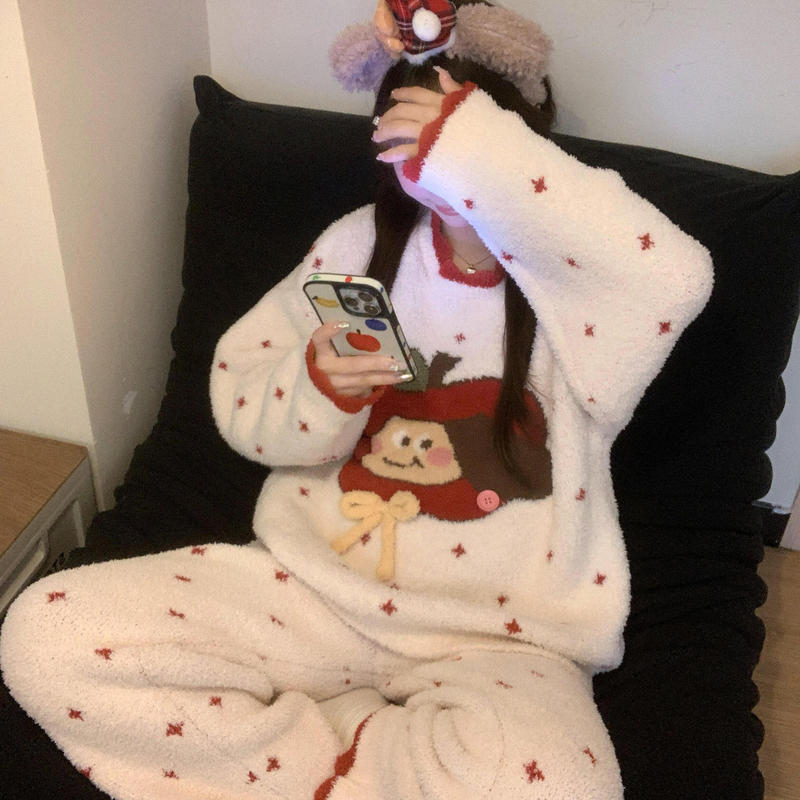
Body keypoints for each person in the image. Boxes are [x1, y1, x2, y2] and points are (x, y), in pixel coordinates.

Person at [0, 2, 713, 798]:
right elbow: (242, 406)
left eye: (452, 141)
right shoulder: (354, 246)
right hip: (311, 594)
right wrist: (318, 388)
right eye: (410, 139)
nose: (431, 167)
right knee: (45, 632)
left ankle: (326, 762)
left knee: (562, 786)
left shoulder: (582, 285)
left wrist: (478, 154)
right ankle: (345, 762)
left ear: (518, 148)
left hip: (500, 640)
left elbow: (678, 278)